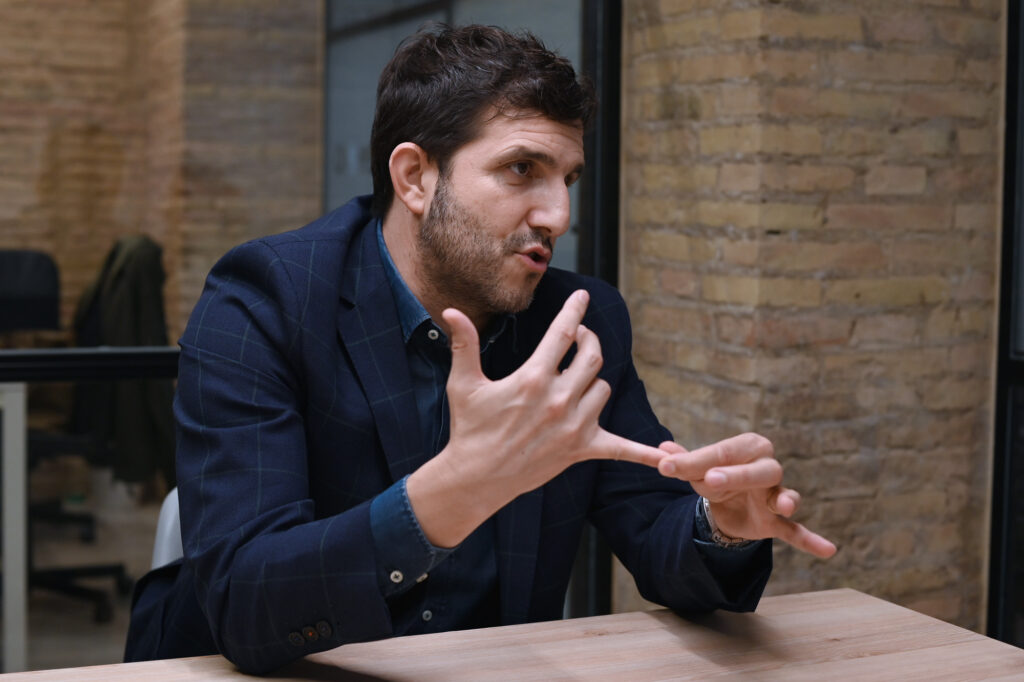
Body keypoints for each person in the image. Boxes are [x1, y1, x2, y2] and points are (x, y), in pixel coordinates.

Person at [124, 23, 835, 675]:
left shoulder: (577, 320)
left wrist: (719, 526)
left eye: (567, 179)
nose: (558, 215)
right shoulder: (265, 300)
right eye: (522, 169)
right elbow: (245, 601)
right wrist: (458, 490)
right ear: (415, 177)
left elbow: (654, 531)